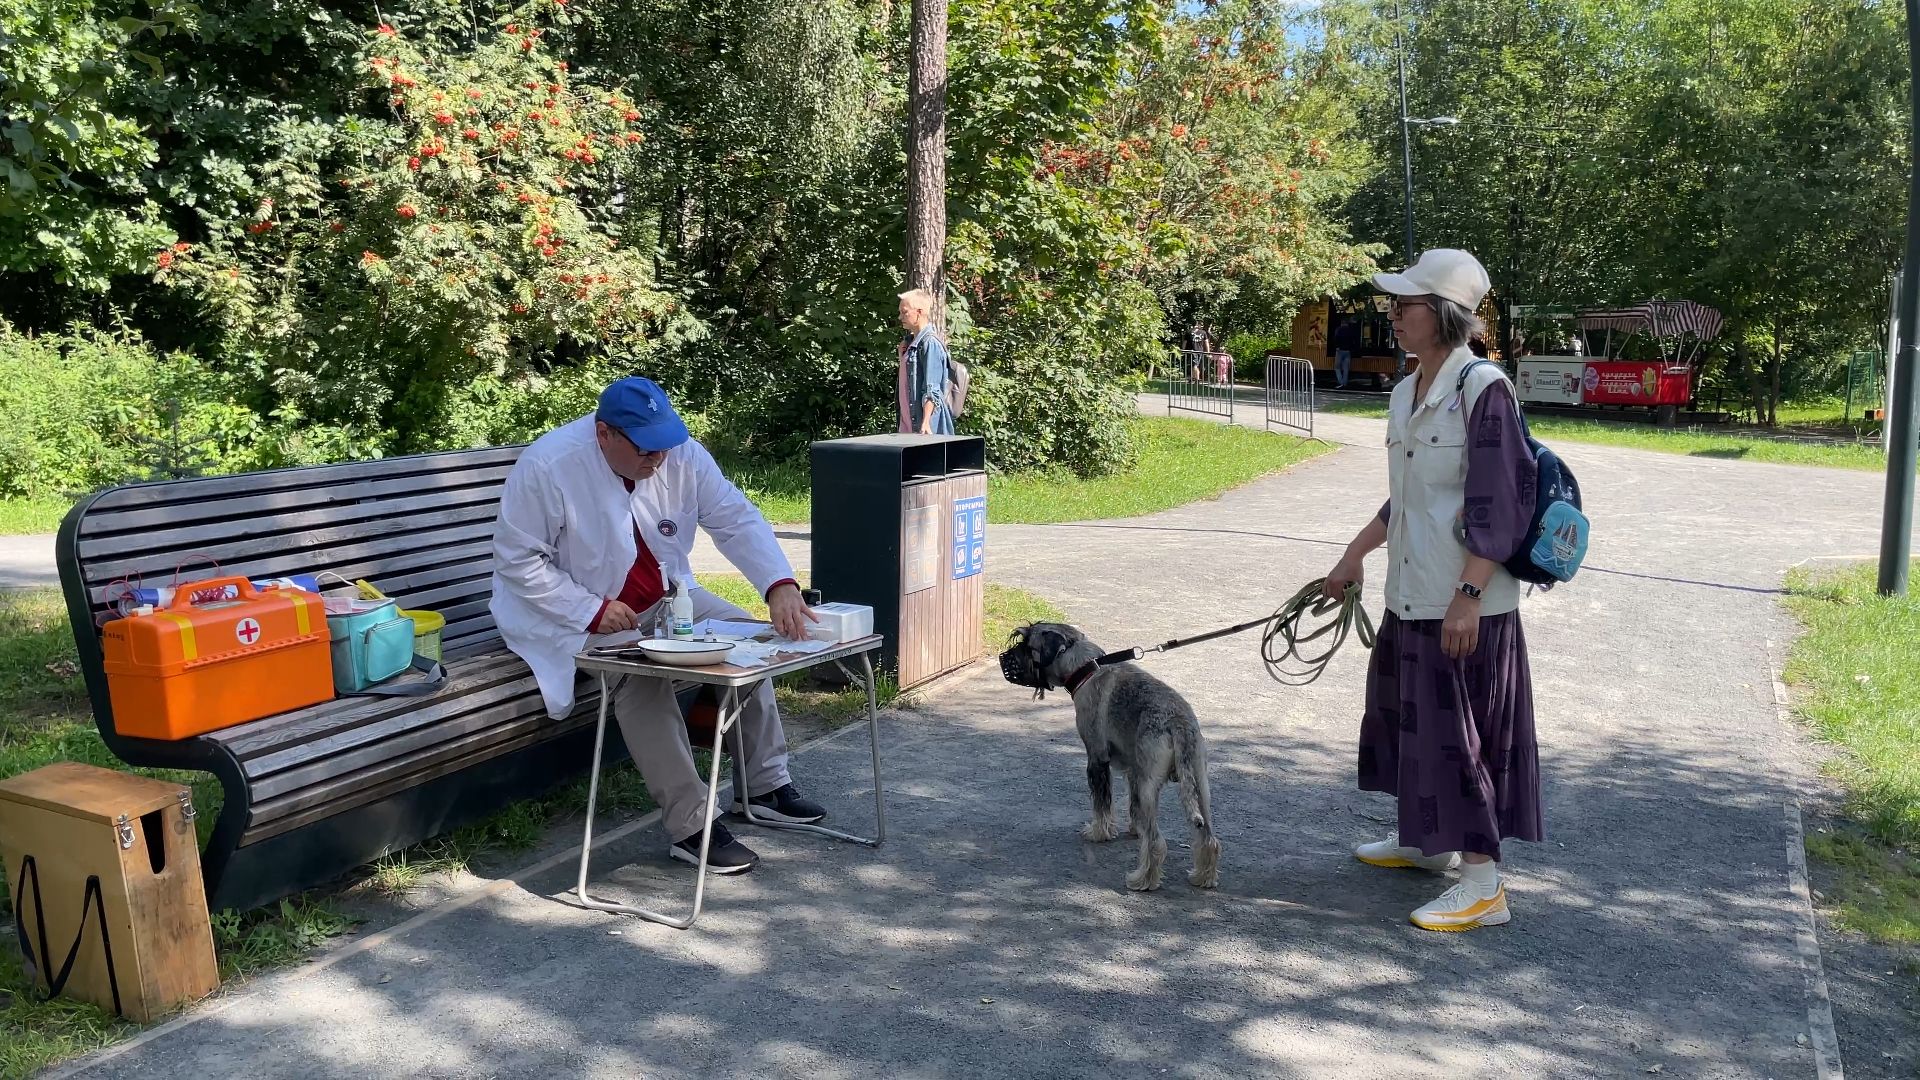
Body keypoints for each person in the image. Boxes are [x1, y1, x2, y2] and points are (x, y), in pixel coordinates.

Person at [490, 376, 825, 875]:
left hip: (668, 600)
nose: (659, 460)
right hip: (570, 617)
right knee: (638, 680)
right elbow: (519, 563)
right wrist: (590, 609)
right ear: (604, 434)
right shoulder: (549, 465)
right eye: (647, 451)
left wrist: (779, 583)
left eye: (666, 446)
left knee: (750, 642)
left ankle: (765, 784)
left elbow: (733, 516)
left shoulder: (677, 450)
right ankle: (692, 827)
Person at [1321, 248, 1543, 932]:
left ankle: (1482, 885)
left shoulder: (1484, 390)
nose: (1393, 312)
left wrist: (1469, 596)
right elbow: (1408, 499)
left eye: (1406, 303)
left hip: (1465, 605)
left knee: (1460, 738)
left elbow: (1501, 503)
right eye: (1395, 302)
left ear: (1443, 315)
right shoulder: (1404, 389)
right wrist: (1354, 555)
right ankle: (1429, 845)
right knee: (1411, 724)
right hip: (1410, 594)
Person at [898, 288, 955, 435]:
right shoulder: (910, 344)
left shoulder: (930, 343)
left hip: (925, 428)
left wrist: (925, 422)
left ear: (919, 312)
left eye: (904, 312)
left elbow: (932, 388)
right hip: (909, 425)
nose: (900, 317)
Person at [1331, 318, 1363, 388]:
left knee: (1337, 367)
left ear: (1341, 323)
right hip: (1348, 351)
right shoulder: (1350, 331)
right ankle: (1344, 383)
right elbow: (1354, 340)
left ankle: (1341, 382)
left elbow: (1335, 338)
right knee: (1346, 368)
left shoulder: (1338, 329)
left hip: (1340, 350)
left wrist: (1337, 346)